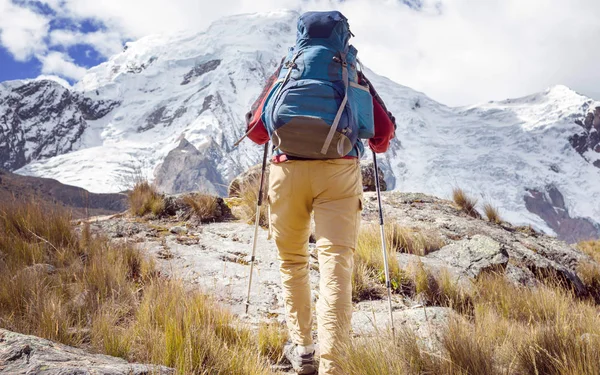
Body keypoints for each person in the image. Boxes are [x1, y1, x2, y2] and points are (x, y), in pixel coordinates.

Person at [244, 11, 395, 375]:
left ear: (300, 37)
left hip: (287, 172)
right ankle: (333, 365)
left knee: (293, 263)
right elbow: (383, 134)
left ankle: (304, 350)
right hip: (338, 175)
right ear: (343, 37)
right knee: (336, 268)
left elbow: (255, 130)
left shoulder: (287, 71)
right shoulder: (348, 72)